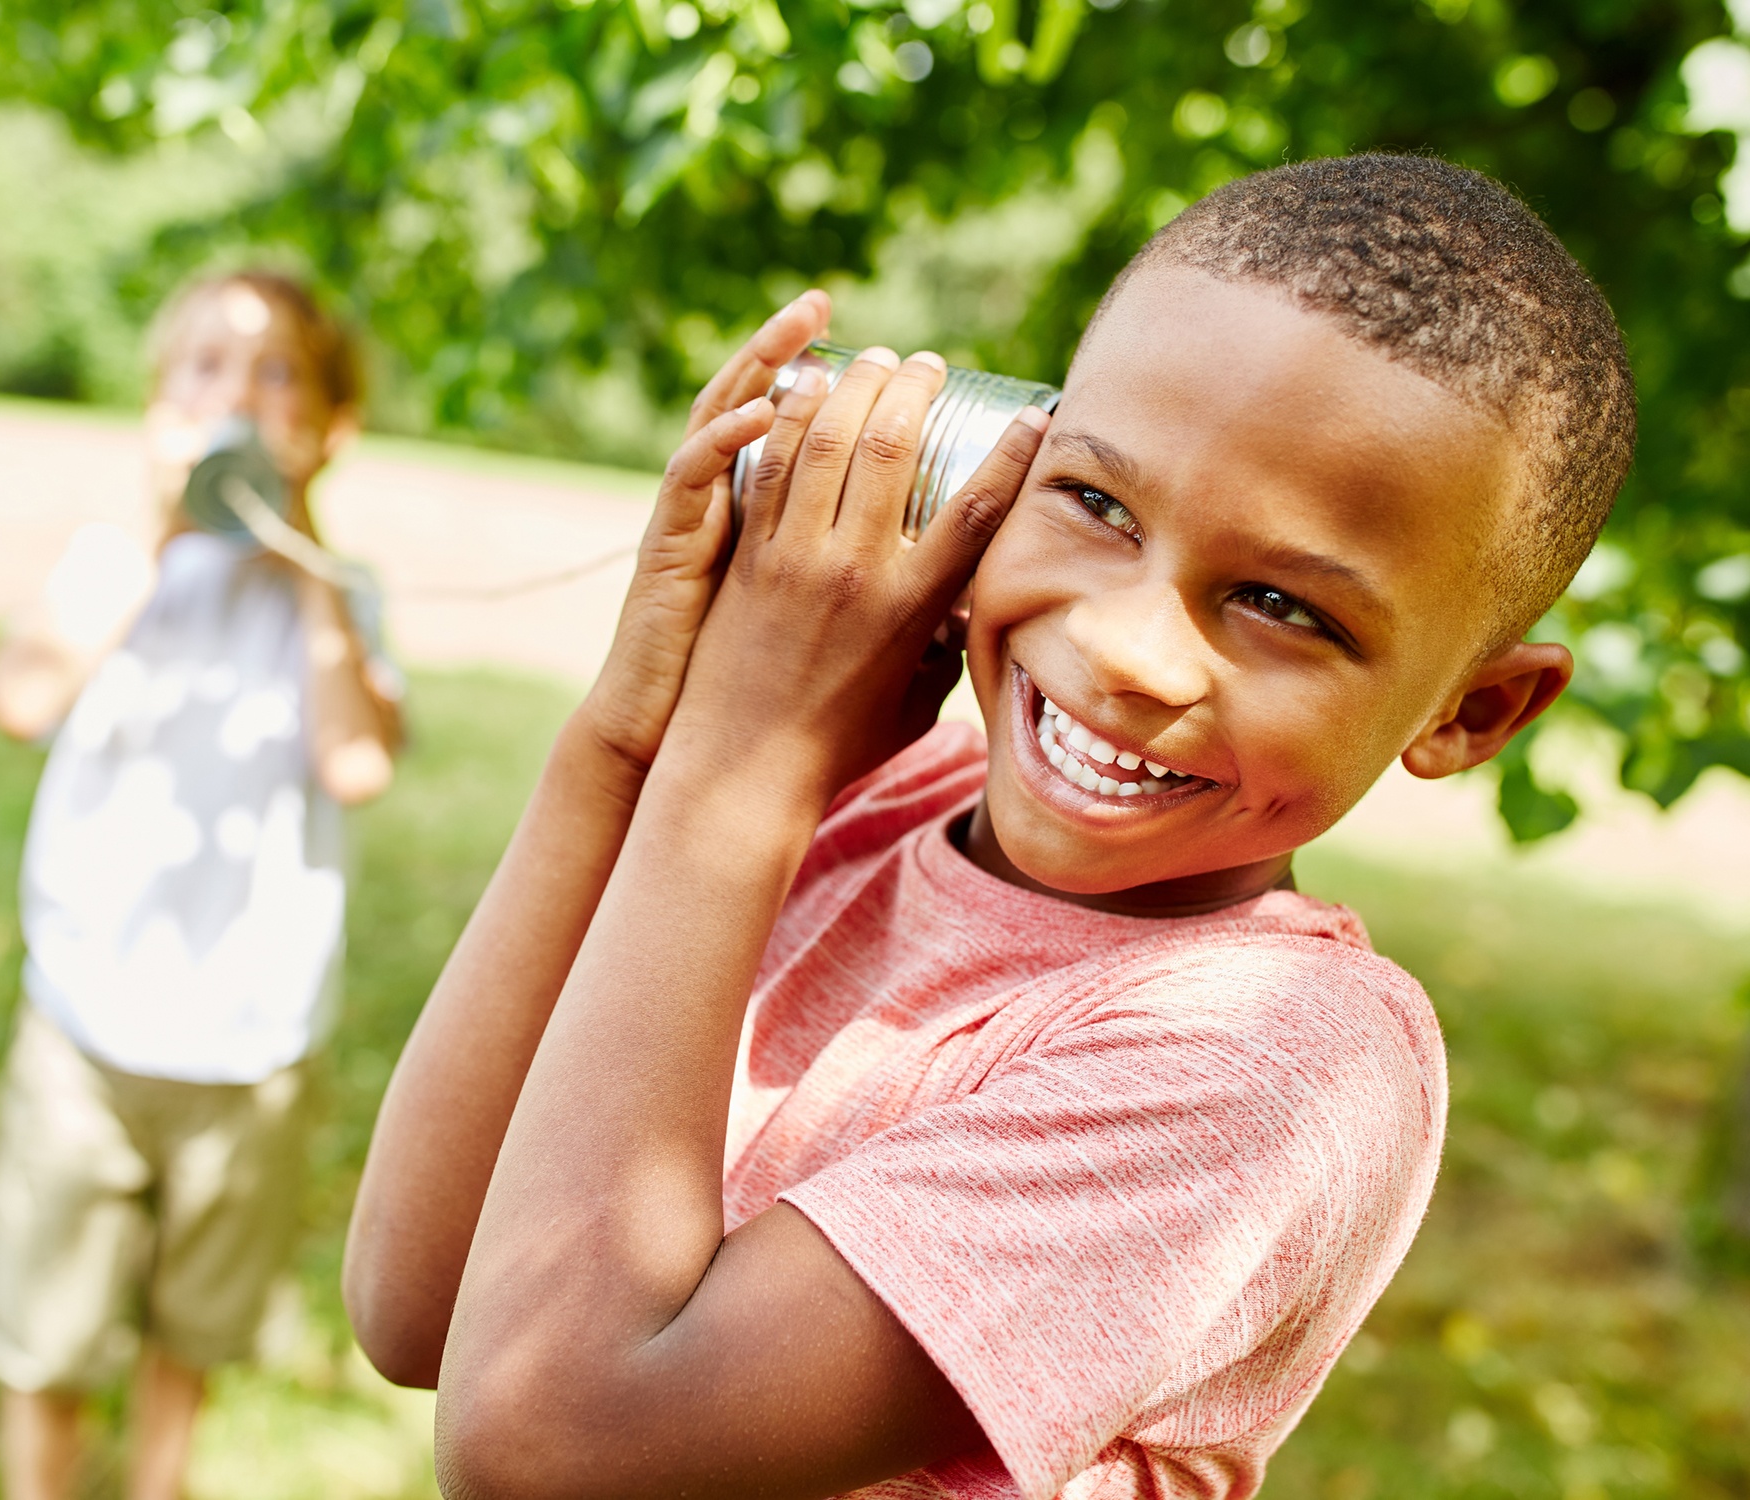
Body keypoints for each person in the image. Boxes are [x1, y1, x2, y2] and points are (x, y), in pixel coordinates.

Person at [343, 154, 1635, 1499]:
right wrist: (629, 745)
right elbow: (416, 1302)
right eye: (1094, 503)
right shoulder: (860, 806)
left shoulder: (1282, 1066)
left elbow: (545, 1445)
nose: (1129, 648)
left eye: (1286, 607)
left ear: (1476, 712)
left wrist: (739, 767)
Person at [0, 270, 404, 1500]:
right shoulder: (113, 564)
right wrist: (161, 528)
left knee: (192, 1321)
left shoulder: (338, 594)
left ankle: (159, 1480)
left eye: (274, 378)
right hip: (87, 1021)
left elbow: (355, 761)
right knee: (46, 1327)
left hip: (252, 1040)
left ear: (325, 428)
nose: (236, 396)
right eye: (204, 367)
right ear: (156, 403)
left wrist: (305, 556)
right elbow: (22, 697)